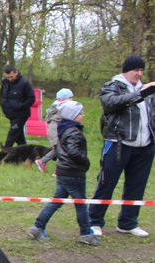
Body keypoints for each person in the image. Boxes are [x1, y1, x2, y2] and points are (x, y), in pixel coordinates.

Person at [88, 55, 155, 238]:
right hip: (118, 143)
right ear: (126, 70)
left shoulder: (147, 89)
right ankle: (94, 221)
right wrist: (141, 93)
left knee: (136, 185)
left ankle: (128, 223)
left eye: (141, 70)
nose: (139, 74)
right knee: (106, 183)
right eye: (136, 70)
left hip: (145, 146)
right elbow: (111, 103)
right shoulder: (112, 86)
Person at [27, 101, 99, 245]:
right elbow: (73, 151)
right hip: (73, 173)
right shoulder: (74, 132)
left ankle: (37, 227)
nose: (83, 115)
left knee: (56, 201)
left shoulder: (64, 129)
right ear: (72, 116)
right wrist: (85, 161)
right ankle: (86, 233)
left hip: (63, 170)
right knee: (80, 204)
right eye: (80, 113)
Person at [0, 66, 35, 163]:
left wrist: (20, 106)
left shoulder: (24, 83)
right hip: (10, 114)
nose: (10, 79)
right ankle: (28, 157)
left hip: (21, 114)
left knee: (11, 136)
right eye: (8, 77)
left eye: (11, 76)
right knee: (20, 138)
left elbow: (31, 99)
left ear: (16, 72)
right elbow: (3, 96)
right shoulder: (5, 83)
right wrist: (4, 106)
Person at [35, 88, 74, 173]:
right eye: (70, 97)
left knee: (59, 149)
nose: (72, 100)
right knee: (61, 150)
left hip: (56, 130)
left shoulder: (56, 105)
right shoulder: (63, 106)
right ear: (65, 98)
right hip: (57, 131)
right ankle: (58, 169)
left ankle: (42, 161)